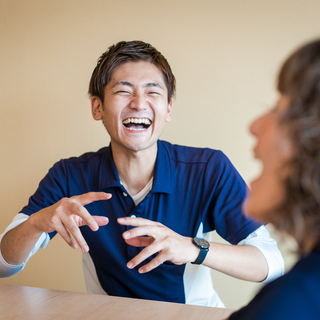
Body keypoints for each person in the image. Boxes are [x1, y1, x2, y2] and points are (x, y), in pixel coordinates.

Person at [0, 40, 284, 307]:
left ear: (168, 108)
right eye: (123, 90)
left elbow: (272, 263)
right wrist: (38, 222)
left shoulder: (209, 168)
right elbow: (3, 266)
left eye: (153, 91)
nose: (138, 103)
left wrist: (194, 248)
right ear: (97, 107)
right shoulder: (69, 175)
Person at [227, 39, 320, 319]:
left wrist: (194, 249)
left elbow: (267, 258)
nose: (254, 126)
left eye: (280, 109)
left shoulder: (292, 303)